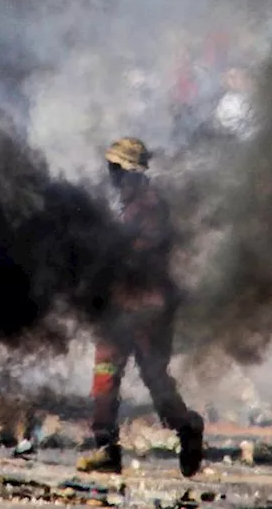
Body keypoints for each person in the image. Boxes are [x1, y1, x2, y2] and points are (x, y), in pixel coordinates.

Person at [78, 138, 204, 477]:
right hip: (120, 307)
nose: (112, 176)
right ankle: (106, 448)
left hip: (148, 309)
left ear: (130, 172)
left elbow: (142, 255)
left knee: (155, 379)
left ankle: (188, 429)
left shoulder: (149, 207)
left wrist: (109, 253)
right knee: (104, 375)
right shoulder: (128, 205)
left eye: (116, 169)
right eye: (111, 169)